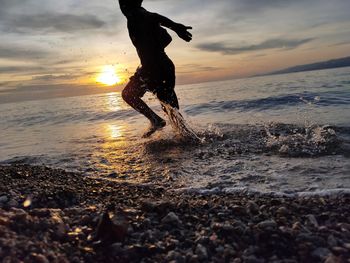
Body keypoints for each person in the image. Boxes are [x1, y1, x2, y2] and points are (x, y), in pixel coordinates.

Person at [118, 0, 192, 137]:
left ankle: (156, 120)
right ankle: (190, 142)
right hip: (163, 66)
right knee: (171, 110)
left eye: (122, 2)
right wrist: (154, 51)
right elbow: (167, 38)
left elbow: (156, 17)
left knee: (128, 94)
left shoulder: (135, 14)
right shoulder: (143, 17)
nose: (120, 6)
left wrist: (175, 27)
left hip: (154, 68)